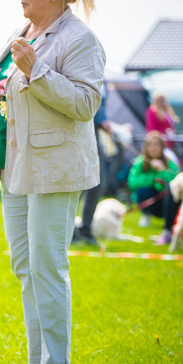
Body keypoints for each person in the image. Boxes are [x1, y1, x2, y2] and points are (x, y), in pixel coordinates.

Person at [0, 0, 104, 364]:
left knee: (48, 264)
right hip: (17, 166)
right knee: (25, 265)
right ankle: (35, 361)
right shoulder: (23, 30)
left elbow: (85, 104)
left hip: (56, 169)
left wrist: (36, 70)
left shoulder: (80, 40)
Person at [73, 84, 113, 246]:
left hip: (94, 135)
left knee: (98, 184)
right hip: (76, 132)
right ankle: (70, 231)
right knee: (73, 185)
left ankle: (85, 229)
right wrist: (101, 120)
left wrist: (103, 121)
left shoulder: (104, 78)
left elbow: (100, 104)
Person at [128, 131, 180, 245]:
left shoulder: (169, 163)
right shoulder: (140, 162)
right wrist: (153, 177)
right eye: (150, 145)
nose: (154, 148)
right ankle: (146, 215)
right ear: (146, 147)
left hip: (165, 202)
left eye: (157, 145)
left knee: (171, 195)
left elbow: (177, 182)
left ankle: (169, 224)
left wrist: (162, 171)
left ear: (162, 147)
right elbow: (132, 182)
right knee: (142, 192)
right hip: (149, 201)